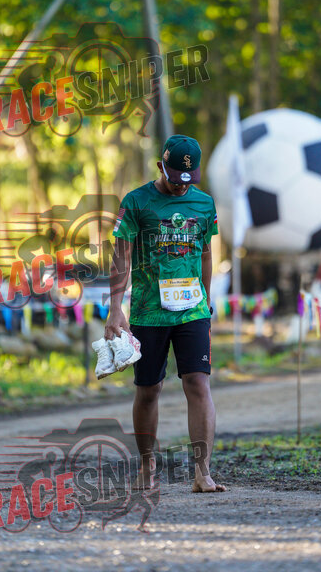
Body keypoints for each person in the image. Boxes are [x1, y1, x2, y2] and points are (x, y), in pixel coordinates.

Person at [105, 134, 226, 493]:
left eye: (188, 181)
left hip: (192, 310)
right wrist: (115, 308)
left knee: (198, 384)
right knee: (148, 390)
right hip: (147, 312)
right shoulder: (136, 202)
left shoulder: (204, 203)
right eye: (175, 180)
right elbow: (121, 256)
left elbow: (206, 254)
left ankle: (202, 472)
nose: (181, 187)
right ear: (161, 166)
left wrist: (207, 301)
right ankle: (147, 465)